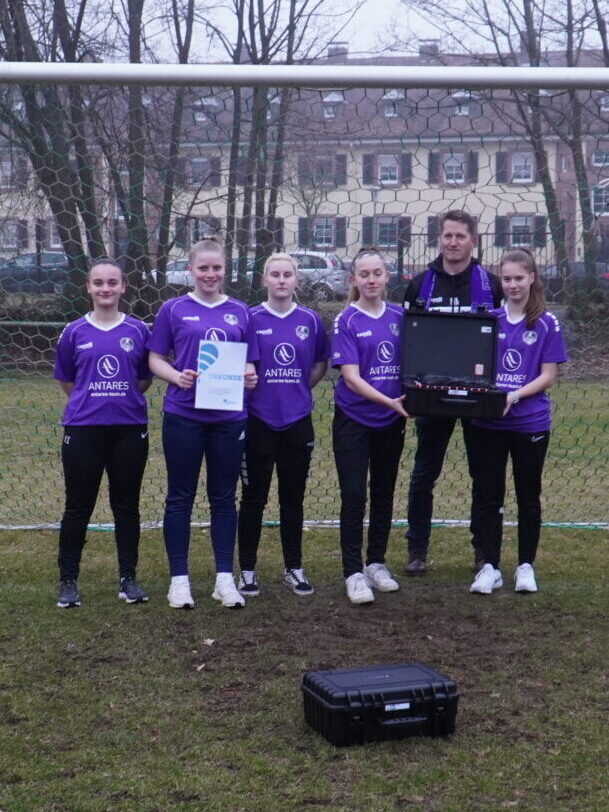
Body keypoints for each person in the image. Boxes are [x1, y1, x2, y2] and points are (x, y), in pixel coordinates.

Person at [148, 238, 258, 610]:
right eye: (203, 268)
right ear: (191, 271)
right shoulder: (173, 309)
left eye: (217, 268)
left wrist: (249, 377)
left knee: (224, 497)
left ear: (225, 270)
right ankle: (179, 581)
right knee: (180, 497)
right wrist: (176, 377)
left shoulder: (241, 311)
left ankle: (224, 579)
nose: (211, 275)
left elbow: (249, 363)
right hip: (184, 415)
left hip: (229, 418)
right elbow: (155, 358)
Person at [402, 209, 503, 575]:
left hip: (479, 396)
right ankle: (417, 549)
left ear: (473, 241)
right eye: (447, 236)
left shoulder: (491, 285)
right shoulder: (420, 285)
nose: (453, 242)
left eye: (460, 236)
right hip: (432, 394)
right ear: (439, 239)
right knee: (424, 472)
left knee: (484, 473)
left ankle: (483, 552)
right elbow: (408, 340)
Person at [54, 258, 152, 608]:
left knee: (126, 507)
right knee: (78, 507)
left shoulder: (139, 331)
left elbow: (144, 378)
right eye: (99, 282)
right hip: (83, 431)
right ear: (89, 288)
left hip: (128, 430)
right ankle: (68, 581)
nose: (106, 288)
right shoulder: (73, 331)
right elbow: (68, 380)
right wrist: (92, 402)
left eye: (112, 282)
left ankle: (128, 578)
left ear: (123, 287)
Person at [468, 248, 567, 595]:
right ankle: (491, 567)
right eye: (507, 279)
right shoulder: (488, 320)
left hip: (529, 424)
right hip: (489, 425)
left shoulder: (546, 322)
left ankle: (525, 566)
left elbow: (548, 375)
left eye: (518, 278)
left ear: (532, 279)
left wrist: (513, 396)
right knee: (488, 496)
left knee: (528, 495)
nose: (512, 285)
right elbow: (475, 371)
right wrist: (489, 398)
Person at [237, 253, 329, 597]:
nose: (280, 280)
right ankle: (246, 570)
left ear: (296, 280)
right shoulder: (249, 318)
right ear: (264, 280)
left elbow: (321, 362)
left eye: (287, 274)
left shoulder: (310, 320)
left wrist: (301, 389)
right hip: (258, 421)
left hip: (296, 422)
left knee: (293, 498)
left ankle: (294, 567)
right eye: (274, 274)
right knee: (253, 497)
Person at [331, 247, 408, 605]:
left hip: (392, 420)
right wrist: (388, 400)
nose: (372, 280)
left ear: (386, 276)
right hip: (355, 420)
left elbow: (416, 364)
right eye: (365, 274)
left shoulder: (401, 315)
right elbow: (350, 377)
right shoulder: (347, 319)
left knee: (383, 492)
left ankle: (376, 562)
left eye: (377, 273)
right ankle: (353, 572)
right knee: (354, 494)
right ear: (354, 280)